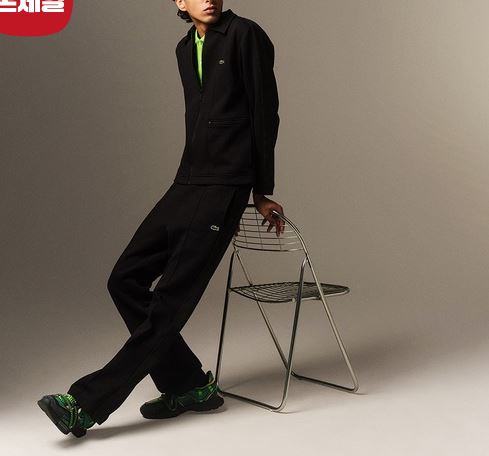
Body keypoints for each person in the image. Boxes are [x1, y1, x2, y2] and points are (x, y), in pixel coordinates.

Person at [37, 0, 284, 438]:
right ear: (179, 2)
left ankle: (87, 404)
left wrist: (260, 190)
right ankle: (189, 385)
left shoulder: (245, 34)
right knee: (124, 280)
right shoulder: (184, 48)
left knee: (170, 301)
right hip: (187, 179)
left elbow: (265, 112)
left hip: (226, 184)